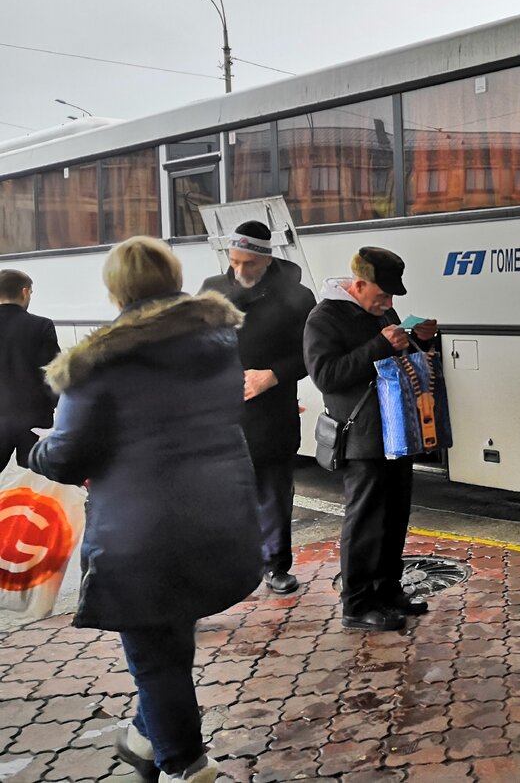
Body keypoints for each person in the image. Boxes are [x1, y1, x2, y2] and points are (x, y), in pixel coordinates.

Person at [29, 236, 260, 783]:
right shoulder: (218, 340)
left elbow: (66, 455)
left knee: (155, 655)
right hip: (219, 511)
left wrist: (38, 447)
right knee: (168, 640)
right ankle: (143, 737)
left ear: (116, 290)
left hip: (143, 532)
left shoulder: (99, 362)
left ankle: (186, 766)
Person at [304, 246, 438, 632]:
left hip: (395, 431)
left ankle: (388, 590)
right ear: (358, 285)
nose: (388, 303)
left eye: (392, 297)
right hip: (360, 436)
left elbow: (398, 358)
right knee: (364, 520)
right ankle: (358, 603)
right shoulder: (324, 317)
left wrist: (421, 341)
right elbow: (326, 376)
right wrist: (380, 344)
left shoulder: (382, 311)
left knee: (395, 515)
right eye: (382, 295)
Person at [200, 220, 316, 595]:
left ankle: (275, 565)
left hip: (272, 412)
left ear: (266, 260)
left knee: (274, 492)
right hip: (219, 414)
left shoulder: (298, 297)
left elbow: (313, 355)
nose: (239, 271)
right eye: (234, 262)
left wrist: (275, 375)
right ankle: (222, 565)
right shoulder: (212, 291)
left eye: (248, 263)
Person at [0, 269, 59, 468]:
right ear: (24, 292)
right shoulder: (42, 326)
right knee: (34, 479)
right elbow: (54, 373)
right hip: (35, 419)